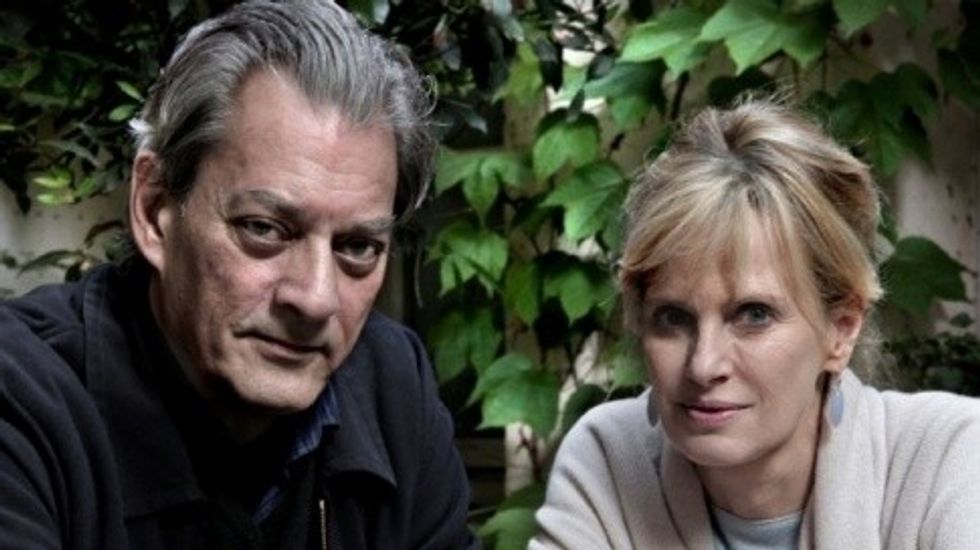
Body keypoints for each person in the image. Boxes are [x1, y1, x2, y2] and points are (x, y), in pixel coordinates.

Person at [0, 1, 476, 548]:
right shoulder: (21, 404)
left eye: (357, 247)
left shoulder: (393, 390)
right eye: (264, 229)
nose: (315, 298)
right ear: (155, 210)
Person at [531, 100, 980, 549]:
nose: (704, 365)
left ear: (841, 329)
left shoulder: (951, 456)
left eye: (754, 315)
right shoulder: (609, 462)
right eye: (673, 317)